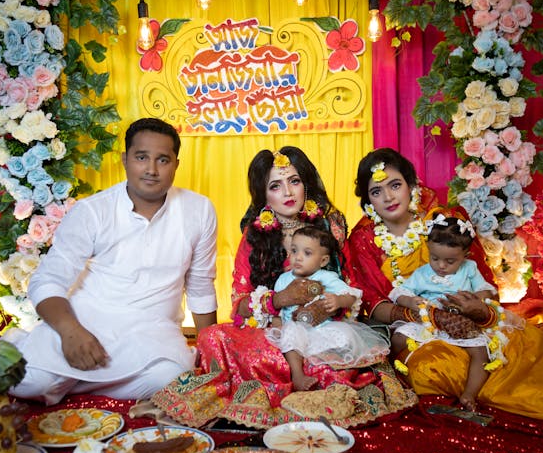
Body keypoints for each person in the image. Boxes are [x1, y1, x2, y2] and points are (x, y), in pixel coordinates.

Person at [345, 147, 543, 427]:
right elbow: (373, 302)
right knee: (432, 369)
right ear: (367, 201)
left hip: (469, 319)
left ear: (411, 185)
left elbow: (484, 283)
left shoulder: (445, 221)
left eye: (395, 185)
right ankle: (469, 401)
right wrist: (421, 315)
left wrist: (475, 310)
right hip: (419, 329)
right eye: (376, 191)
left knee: (535, 346)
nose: (388, 197)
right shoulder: (364, 239)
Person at [149, 146, 417, 429]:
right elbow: (240, 304)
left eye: (294, 181)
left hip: (323, 330)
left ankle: (294, 377)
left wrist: (328, 307)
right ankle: (299, 376)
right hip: (273, 334)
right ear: (264, 195)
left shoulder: (330, 227)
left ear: (306, 184)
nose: (288, 193)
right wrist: (279, 300)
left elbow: (352, 290)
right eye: (276, 186)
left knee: (338, 349)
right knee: (212, 337)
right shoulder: (254, 236)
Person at [4, 118, 218, 405]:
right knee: (27, 383)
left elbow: (201, 286)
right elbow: (47, 280)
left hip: (152, 333)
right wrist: (71, 332)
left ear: (176, 165)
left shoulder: (199, 210)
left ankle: (75, 384)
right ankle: (30, 350)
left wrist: (211, 354)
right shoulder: (92, 210)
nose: (152, 170)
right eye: (142, 157)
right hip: (86, 323)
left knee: (174, 384)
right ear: (125, 160)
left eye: (163, 160)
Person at [389, 214, 519, 411]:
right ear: (429, 251)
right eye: (435, 258)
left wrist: (477, 298)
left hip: (462, 322)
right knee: (398, 338)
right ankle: (390, 380)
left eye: (450, 261)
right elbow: (400, 291)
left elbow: (488, 290)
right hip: (429, 320)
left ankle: (469, 394)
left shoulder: (470, 269)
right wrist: (410, 300)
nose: (441, 266)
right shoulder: (423, 272)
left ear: (465, 254)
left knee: (481, 352)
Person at [266, 226, 389, 391]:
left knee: (344, 335)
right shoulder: (283, 279)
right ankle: (297, 375)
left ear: (323, 261)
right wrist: (277, 329)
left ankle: (330, 366)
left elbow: (351, 296)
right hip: (296, 329)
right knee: (290, 336)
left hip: (322, 328)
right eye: (294, 251)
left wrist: (339, 300)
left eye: (307, 253)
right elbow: (278, 311)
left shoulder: (326, 277)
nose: (298, 257)